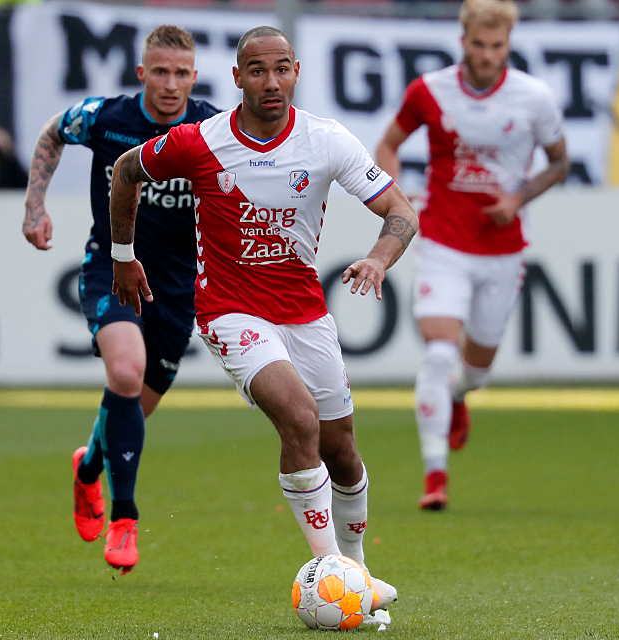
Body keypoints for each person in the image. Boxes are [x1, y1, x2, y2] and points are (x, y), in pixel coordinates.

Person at [108, 26, 417, 625]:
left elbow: (400, 211)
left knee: (342, 451)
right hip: (229, 310)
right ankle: (329, 570)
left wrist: (379, 259)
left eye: (281, 69)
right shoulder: (202, 141)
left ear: (296, 71)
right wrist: (124, 257)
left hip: (304, 312)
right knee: (299, 419)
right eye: (257, 70)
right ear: (237, 77)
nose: (271, 82)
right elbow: (126, 170)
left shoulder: (325, 141)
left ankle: (356, 573)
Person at [21, 25, 220, 573]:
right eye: (160, 71)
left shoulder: (210, 128)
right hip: (110, 272)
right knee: (127, 374)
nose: (170, 84)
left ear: (194, 77)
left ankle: (88, 468)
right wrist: (34, 206)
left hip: (178, 290)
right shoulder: (106, 118)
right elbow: (53, 132)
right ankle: (125, 518)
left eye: (181, 73)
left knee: (132, 407)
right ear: (141, 73)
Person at [375, 0, 569, 510]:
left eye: (496, 46)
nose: (487, 55)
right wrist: (395, 193)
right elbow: (388, 144)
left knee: (476, 370)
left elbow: (559, 163)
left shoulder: (534, 97)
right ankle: (435, 476)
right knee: (439, 353)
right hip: (442, 239)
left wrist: (518, 199)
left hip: (502, 249)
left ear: (508, 45)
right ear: (463, 42)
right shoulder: (429, 91)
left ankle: (460, 395)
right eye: (478, 45)